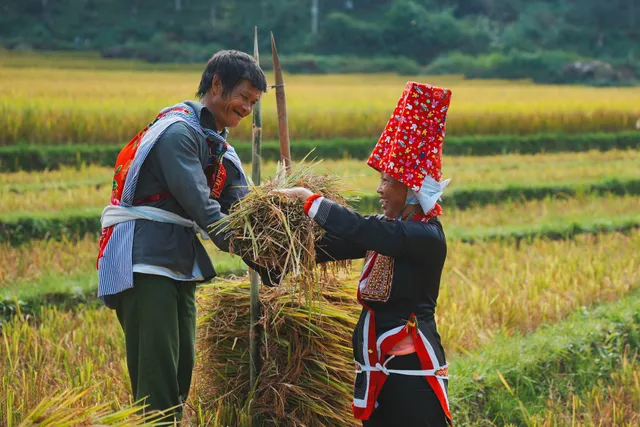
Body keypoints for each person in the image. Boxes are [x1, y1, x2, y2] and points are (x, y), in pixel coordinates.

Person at [96, 50, 277, 421]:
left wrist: (278, 234)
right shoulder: (178, 132)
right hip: (145, 259)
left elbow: (242, 206)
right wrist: (252, 252)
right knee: (157, 379)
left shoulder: (216, 142)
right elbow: (204, 208)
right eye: (243, 97)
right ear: (216, 85)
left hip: (178, 261)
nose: (246, 108)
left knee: (181, 373)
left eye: (253, 103)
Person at [278, 82, 453, 426]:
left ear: (412, 190)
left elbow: (360, 229)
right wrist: (279, 244)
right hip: (377, 371)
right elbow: (326, 247)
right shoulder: (389, 230)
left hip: (410, 378)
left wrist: (309, 200)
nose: (379, 189)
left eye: (388, 180)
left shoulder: (423, 236)